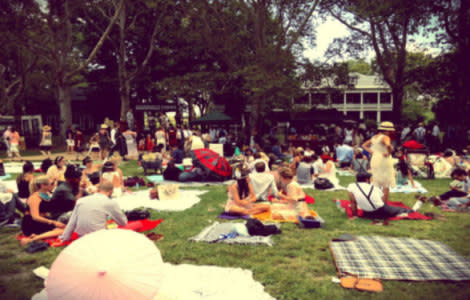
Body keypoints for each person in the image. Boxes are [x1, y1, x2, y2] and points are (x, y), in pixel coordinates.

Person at [59, 181, 127, 241]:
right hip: (98, 236)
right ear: (111, 191)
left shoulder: (81, 200)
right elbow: (122, 222)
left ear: (98, 190)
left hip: (81, 236)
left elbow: (72, 222)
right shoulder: (110, 202)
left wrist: (65, 237)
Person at [348, 173, 415, 222]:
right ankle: (413, 209)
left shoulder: (351, 186)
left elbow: (353, 202)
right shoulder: (374, 187)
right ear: (366, 180)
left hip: (366, 213)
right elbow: (383, 201)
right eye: (370, 179)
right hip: (380, 210)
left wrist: (355, 216)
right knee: (402, 210)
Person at [20, 176, 66, 246]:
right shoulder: (34, 197)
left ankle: (35, 236)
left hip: (43, 221)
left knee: (65, 228)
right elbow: (35, 217)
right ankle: (32, 239)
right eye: (52, 183)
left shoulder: (47, 194)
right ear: (42, 185)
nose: (54, 185)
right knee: (63, 231)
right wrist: (54, 222)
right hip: (32, 224)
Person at [362, 121, 396, 203]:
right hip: (383, 159)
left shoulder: (374, 137)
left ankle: (376, 201)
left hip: (375, 158)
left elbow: (363, 145)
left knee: (376, 180)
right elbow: (388, 145)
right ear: (388, 130)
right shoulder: (386, 137)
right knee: (386, 182)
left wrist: (371, 151)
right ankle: (384, 203)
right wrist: (389, 152)